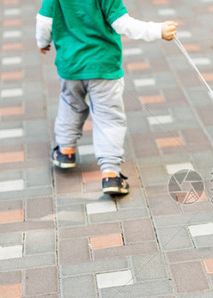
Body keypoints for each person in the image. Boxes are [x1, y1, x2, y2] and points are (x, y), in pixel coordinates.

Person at [35, 0, 177, 195]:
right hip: (104, 66)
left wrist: (42, 42)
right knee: (108, 117)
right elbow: (123, 24)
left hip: (70, 66)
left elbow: (44, 21)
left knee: (70, 105)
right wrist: (157, 30)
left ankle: (65, 151)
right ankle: (111, 174)